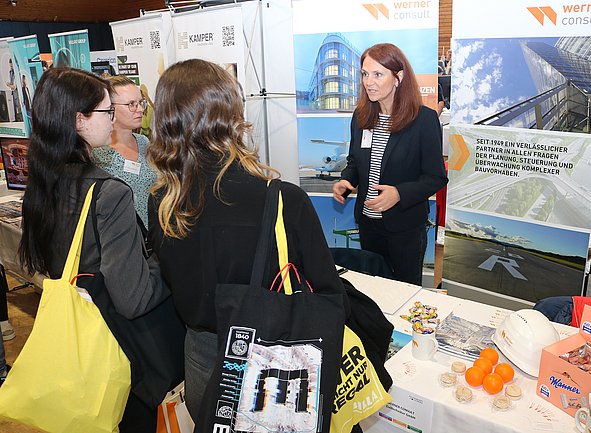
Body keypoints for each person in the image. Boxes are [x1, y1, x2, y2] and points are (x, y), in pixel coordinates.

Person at [147, 59, 348, 419]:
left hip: (200, 359)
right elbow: (328, 294)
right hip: (270, 361)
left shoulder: (163, 202)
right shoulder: (283, 199)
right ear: (232, 114)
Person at [18, 67, 169, 432]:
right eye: (106, 111)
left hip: (80, 344)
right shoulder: (108, 192)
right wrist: (172, 264)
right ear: (79, 120)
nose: (112, 119)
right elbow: (132, 297)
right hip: (120, 345)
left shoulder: (45, 181)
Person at [332, 43, 448, 286]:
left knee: (404, 291)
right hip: (368, 223)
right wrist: (346, 180)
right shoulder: (361, 117)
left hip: (405, 228)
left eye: (378, 74)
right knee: (375, 288)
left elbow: (436, 177)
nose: (369, 82)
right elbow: (355, 161)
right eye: (365, 74)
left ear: (399, 77)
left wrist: (398, 193)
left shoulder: (424, 120)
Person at [93, 76, 156, 228]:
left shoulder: (144, 142)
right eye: (131, 104)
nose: (140, 109)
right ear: (109, 107)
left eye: (141, 102)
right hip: (119, 234)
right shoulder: (97, 153)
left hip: (152, 233)